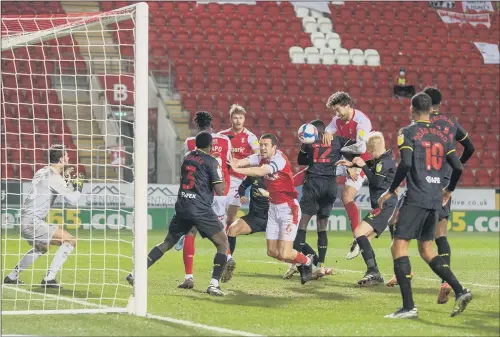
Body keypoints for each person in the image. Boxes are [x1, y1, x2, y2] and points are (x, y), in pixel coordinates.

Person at [378, 92, 472, 319]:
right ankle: (460, 290)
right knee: (427, 249)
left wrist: (391, 190)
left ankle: (408, 307)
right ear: (431, 110)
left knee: (398, 247)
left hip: (416, 196)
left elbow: (407, 163)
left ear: (411, 110)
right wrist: (448, 190)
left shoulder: (407, 132)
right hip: (435, 199)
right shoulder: (442, 135)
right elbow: (458, 167)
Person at [127, 132, 228, 296]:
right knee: (223, 243)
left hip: (183, 206)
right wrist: (220, 168)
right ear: (210, 146)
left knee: (167, 243)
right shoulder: (212, 161)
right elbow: (220, 189)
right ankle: (214, 284)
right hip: (200, 209)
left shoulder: (188, 157)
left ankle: (135, 274)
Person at [230, 133, 314, 284]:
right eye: (261, 144)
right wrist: (234, 161)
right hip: (273, 210)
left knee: (285, 252)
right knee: (272, 252)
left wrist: (238, 169)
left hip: (288, 208)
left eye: (265, 145)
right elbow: (246, 160)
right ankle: (300, 261)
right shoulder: (261, 157)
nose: (262, 148)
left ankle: (306, 262)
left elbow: (261, 171)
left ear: (274, 147)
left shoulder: (279, 160)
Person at [4, 145, 83, 288]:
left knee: (41, 247)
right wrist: (79, 188)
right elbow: (71, 199)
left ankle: (12, 276)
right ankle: (49, 278)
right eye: (66, 156)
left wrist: (66, 183)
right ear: (60, 159)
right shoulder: (54, 177)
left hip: (24, 219)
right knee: (70, 240)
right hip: (32, 221)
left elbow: (48, 189)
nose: (68, 158)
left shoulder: (41, 171)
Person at [425, 86, 475, 304]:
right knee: (440, 235)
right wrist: (456, 166)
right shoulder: (451, 123)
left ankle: (400, 275)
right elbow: (470, 147)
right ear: (440, 103)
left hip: (423, 181)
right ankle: (445, 283)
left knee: (406, 236)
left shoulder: (420, 124)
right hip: (444, 182)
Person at [174, 111, 231, 290]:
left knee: (190, 233)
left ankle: (189, 276)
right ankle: (225, 262)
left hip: (198, 194)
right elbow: (228, 164)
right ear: (212, 125)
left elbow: (188, 163)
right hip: (220, 192)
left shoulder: (190, 142)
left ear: (197, 126)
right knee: (221, 236)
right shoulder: (225, 141)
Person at [336, 132, 397, 286]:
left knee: (359, 233)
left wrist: (362, 165)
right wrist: (353, 164)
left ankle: (374, 272)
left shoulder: (385, 163)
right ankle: (374, 272)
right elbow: (371, 165)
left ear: (373, 148)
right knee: (364, 238)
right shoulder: (382, 160)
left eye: (369, 151)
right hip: (382, 206)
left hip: (385, 205)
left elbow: (376, 182)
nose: (368, 154)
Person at [283, 120, 341, 280]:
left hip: (314, 185)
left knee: (302, 225)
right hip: (330, 186)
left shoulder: (310, 142)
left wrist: (304, 144)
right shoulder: (336, 141)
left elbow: (302, 162)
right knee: (322, 227)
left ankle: (298, 263)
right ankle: (321, 265)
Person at [322, 92, 372, 259]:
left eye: (338, 110)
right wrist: (328, 133)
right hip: (345, 160)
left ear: (347, 105)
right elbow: (329, 128)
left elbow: (361, 149)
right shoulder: (337, 119)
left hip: (360, 162)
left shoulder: (362, 121)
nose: (336, 114)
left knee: (346, 196)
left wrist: (342, 152)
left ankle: (357, 237)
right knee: (319, 169)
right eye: (334, 111)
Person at [220, 176, 270, 283]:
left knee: (283, 249)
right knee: (232, 229)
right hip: (254, 217)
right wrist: (242, 195)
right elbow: (242, 187)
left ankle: (308, 262)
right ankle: (227, 263)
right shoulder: (254, 174)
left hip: (273, 219)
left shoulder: (278, 175)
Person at [220, 105, 260, 231]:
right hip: (222, 178)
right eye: (235, 118)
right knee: (217, 213)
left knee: (231, 217)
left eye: (240, 118)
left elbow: (258, 154)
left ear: (244, 119)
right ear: (230, 119)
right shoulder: (222, 135)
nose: (238, 120)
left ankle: (226, 244)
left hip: (239, 180)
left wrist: (241, 163)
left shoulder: (250, 137)